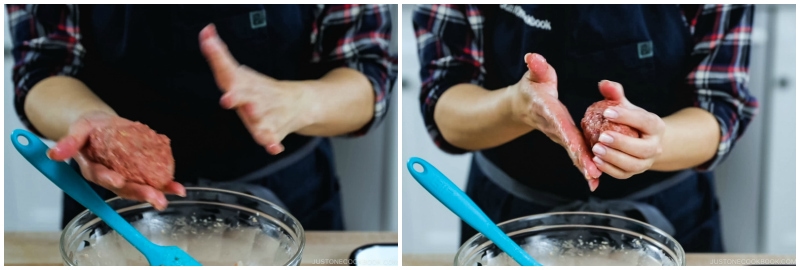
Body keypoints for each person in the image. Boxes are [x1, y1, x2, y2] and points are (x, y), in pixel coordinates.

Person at [9, 4, 397, 231]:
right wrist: (93, 123)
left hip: (290, 197)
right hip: (112, 201)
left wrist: (298, 102)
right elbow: (42, 65)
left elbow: (369, 71)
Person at [413, 4, 756, 252]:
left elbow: (720, 107)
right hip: (510, 224)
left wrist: (657, 143)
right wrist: (516, 107)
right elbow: (446, 100)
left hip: (669, 224)